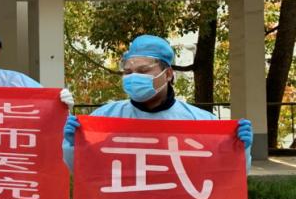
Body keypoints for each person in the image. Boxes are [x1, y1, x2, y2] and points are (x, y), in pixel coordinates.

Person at [63, 34, 253, 170]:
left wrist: (239, 150)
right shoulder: (105, 118)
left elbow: (226, 176)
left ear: (168, 74)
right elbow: (83, 172)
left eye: (143, 71)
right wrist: (73, 146)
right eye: (128, 72)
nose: (133, 77)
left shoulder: (200, 121)